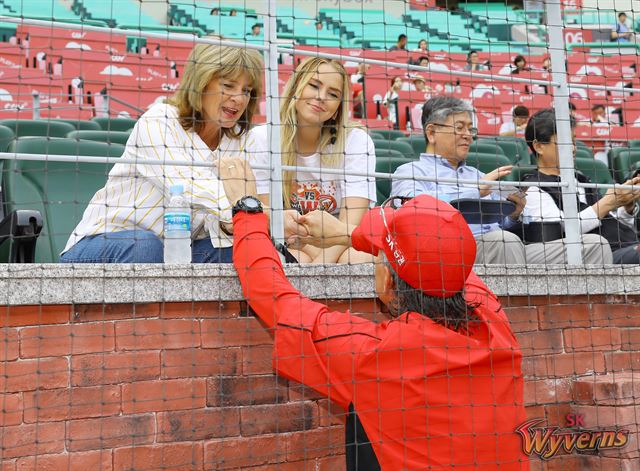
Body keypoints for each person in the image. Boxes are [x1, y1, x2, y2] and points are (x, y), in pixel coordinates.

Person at [217, 159, 529, 470]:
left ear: (387, 280)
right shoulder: (493, 318)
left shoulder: (374, 353)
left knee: (363, 415)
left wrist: (247, 209)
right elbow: (446, 257)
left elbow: (269, 292)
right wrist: (345, 234)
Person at [60, 43, 264, 263]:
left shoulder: (238, 141)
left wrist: (235, 224)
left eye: (246, 91)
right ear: (201, 83)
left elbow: (218, 224)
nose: (239, 98)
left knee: (238, 252)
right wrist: (255, 212)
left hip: (176, 250)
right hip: (102, 245)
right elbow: (190, 188)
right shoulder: (160, 119)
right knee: (145, 246)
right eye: (228, 86)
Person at [391, 96, 609, 265]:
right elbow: (415, 211)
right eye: (460, 128)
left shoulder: (476, 175)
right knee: (502, 241)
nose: (468, 135)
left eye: (470, 128)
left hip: (506, 248)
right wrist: (476, 191)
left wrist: (514, 213)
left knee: (594, 245)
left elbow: (503, 225)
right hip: (450, 255)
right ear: (431, 133)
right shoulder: (409, 171)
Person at [249, 57, 376, 264]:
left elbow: (350, 225)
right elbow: (269, 217)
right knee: (295, 259)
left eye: (333, 94)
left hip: (340, 239)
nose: (321, 97)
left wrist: (321, 265)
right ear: (296, 87)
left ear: (339, 107)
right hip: (290, 238)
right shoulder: (263, 137)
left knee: (358, 258)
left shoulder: (357, 141)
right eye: (314, 86)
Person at [523, 109, 639, 264]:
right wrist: (606, 204)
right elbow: (560, 234)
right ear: (539, 147)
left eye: (573, 141)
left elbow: (613, 226)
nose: (572, 148)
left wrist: (626, 207)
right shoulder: (532, 189)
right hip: (597, 258)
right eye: (564, 141)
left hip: (625, 248)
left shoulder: (581, 180)